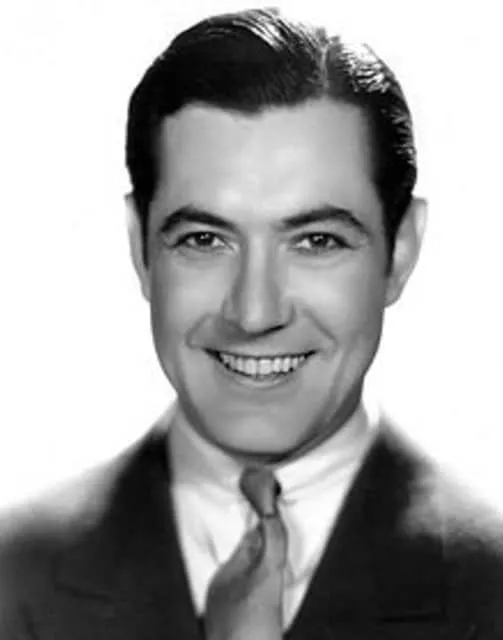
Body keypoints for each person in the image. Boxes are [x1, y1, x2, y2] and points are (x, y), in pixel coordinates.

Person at [1, 7, 503, 639]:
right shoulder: (13, 574)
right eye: (205, 240)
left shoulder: (490, 586)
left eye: (317, 241)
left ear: (400, 252)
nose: (255, 313)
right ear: (139, 247)